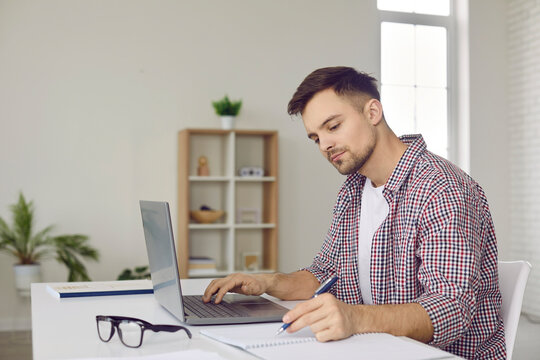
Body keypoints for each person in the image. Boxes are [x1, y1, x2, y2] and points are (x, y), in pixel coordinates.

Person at [202, 66, 506, 359]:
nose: (325, 145)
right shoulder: (353, 191)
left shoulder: (442, 187)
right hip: (375, 349)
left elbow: (450, 309)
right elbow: (325, 274)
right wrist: (267, 283)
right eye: (316, 138)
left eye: (333, 127)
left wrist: (354, 317)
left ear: (372, 112)